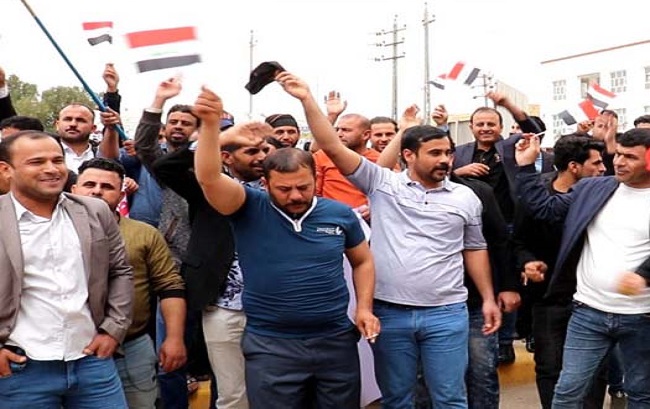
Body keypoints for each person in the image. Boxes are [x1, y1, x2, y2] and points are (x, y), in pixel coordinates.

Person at [272, 71, 501, 408]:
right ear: (408, 155)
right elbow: (332, 146)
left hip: (448, 313)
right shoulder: (382, 185)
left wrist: (488, 298)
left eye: (448, 153)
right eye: (435, 153)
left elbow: (475, 248)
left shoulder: (465, 197)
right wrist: (307, 99)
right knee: (396, 400)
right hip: (391, 314)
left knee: (451, 399)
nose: (444, 160)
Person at [192, 86, 379, 408]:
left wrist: (364, 308)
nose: (295, 195)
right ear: (265, 184)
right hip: (271, 345)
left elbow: (363, 261)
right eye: (284, 189)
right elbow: (208, 178)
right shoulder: (247, 207)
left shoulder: (339, 214)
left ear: (315, 179)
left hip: (335, 341)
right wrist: (211, 127)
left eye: (303, 187)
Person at [514, 128, 650, 408]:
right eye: (618, 154)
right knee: (567, 392)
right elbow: (544, 209)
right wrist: (526, 167)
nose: (618, 162)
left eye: (630, 157)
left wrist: (643, 276)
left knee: (640, 392)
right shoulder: (595, 188)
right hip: (588, 312)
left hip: (641, 317)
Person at [0, 130, 133, 407]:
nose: (51, 169)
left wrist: (113, 329)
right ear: (6, 170)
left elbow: (120, 271)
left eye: (57, 160)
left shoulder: (95, 211)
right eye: (37, 162)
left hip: (92, 361)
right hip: (19, 367)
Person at [152, 122, 273, 409]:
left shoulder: (283, 191)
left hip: (271, 306)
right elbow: (165, 168)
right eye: (251, 151)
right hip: (217, 302)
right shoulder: (208, 187)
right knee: (228, 389)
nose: (261, 157)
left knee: (271, 387)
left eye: (266, 150)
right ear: (226, 157)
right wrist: (220, 138)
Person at [72, 157, 187, 409]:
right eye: (89, 184)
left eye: (107, 187)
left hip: (132, 345)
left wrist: (174, 338)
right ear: (74, 189)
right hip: (68, 349)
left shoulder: (144, 233)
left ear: (122, 194)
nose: (97, 191)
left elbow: (170, 286)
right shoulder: (53, 231)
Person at [512, 135, 606, 409]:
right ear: (574, 166)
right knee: (550, 367)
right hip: (548, 299)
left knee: (593, 372)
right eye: (596, 163)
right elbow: (519, 241)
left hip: (592, 299)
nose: (603, 169)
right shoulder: (536, 192)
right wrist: (527, 263)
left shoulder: (602, 194)